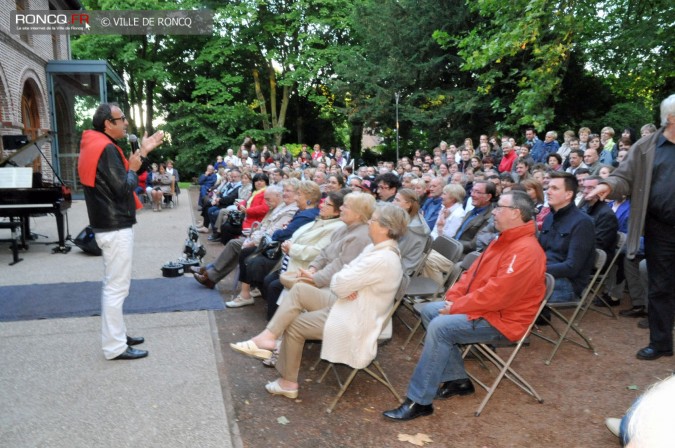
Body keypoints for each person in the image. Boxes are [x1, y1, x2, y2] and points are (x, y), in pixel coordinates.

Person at [382, 191, 546, 421]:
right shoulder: (504, 239)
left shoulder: (525, 250)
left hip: (504, 320)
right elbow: (472, 275)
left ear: (515, 213)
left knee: (441, 327)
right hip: (488, 309)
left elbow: (499, 295)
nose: (494, 213)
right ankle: (458, 379)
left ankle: (419, 401)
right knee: (431, 310)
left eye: (499, 207)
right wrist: (453, 298)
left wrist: (457, 307)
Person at [230, 203, 408, 399]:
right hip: (348, 303)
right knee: (299, 290)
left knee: (295, 324)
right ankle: (267, 337)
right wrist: (348, 285)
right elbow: (344, 274)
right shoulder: (375, 249)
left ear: (385, 228)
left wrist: (346, 285)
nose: (369, 224)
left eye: (372, 220)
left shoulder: (381, 258)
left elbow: (341, 282)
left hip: (355, 317)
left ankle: (287, 383)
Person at [587, 93, 675, 361]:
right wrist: (607, 186)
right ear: (671, 118)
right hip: (661, 228)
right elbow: (623, 177)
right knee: (660, 286)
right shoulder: (647, 146)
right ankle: (661, 343)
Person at [77, 102, 164, 360]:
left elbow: (125, 175)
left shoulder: (95, 144)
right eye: (121, 118)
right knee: (116, 288)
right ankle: (115, 346)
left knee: (113, 286)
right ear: (108, 124)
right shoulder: (105, 148)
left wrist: (143, 153)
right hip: (115, 226)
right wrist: (134, 169)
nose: (125, 123)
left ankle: (118, 335)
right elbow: (123, 187)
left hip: (108, 224)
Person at [261, 190, 347, 320]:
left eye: (327, 205)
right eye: (324, 202)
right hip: (292, 262)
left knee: (273, 286)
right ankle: (277, 323)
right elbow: (300, 235)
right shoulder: (322, 219)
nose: (322, 205)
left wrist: (292, 247)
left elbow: (318, 251)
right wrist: (289, 243)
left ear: (337, 211)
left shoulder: (335, 227)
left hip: (304, 267)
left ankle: (277, 327)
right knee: (268, 282)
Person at [538, 172, 595, 305]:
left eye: (554, 188)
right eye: (548, 187)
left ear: (568, 194)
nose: (548, 192)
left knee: (514, 289)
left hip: (566, 283)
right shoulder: (550, 217)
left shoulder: (582, 222)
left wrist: (536, 270)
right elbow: (539, 251)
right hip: (543, 275)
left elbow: (572, 267)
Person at [392, 188, 431, 276]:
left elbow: (395, 252)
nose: (393, 203)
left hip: (401, 271)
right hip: (395, 263)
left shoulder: (412, 228)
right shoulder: (408, 217)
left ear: (408, 204)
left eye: (397, 200)